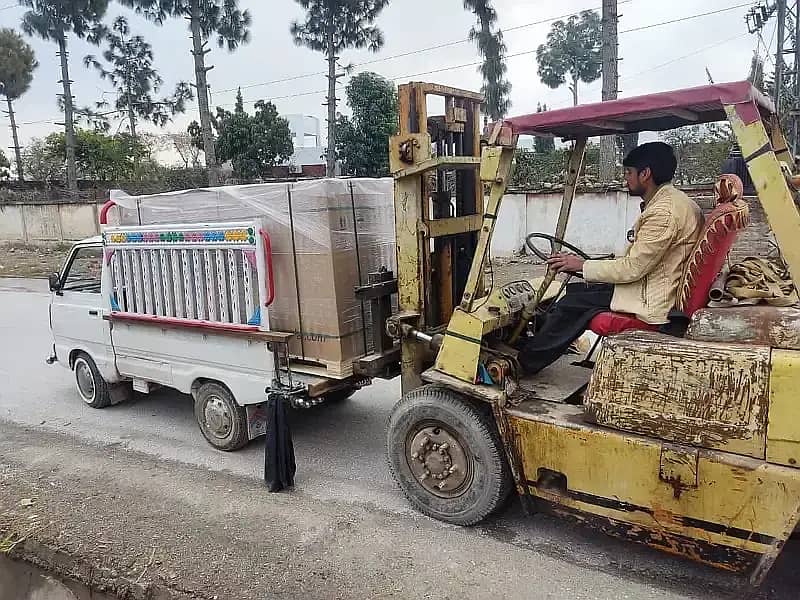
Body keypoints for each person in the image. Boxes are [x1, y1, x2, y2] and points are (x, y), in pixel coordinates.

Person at [518, 141, 704, 374]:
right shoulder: (675, 202)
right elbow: (640, 260)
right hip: (653, 286)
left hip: (651, 300)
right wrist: (586, 265)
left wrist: (583, 264)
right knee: (577, 292)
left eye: (629, 173)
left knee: (569, 305)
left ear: (645, 174)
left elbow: (632, 269)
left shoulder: (663, 213)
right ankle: (545, 346)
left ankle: (524, 362)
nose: (626, 179)